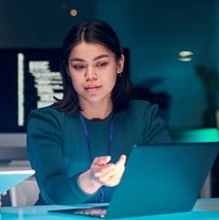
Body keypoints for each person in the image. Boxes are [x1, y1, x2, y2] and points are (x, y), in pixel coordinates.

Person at [26, 20, 172, 205]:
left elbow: (168, 182)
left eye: (101, 64)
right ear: (68, 70)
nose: (90, 76)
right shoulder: (46, 121)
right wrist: (91, 180)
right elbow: (54, 191)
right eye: (79, 66)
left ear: (119, 64)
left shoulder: (144, 116)